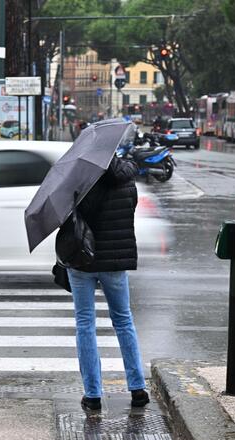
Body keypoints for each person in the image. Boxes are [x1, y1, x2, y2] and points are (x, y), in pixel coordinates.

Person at [62, 150, 149, 413]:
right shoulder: (127, 178)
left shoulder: (81, 178)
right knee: (124, 321)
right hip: (115, 261)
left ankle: (92, 394)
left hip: (82, 260)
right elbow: (128, 212)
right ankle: (137, 389)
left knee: (85, 323)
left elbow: (70, 218)